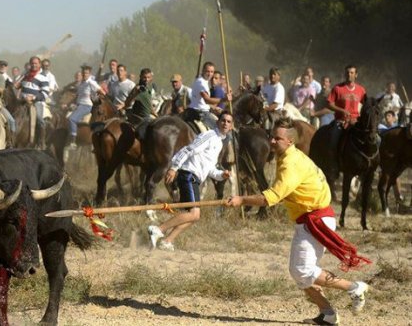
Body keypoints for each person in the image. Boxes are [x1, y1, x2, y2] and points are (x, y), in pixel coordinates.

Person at [226, 117, 370, 326]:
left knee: (302, 270)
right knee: (300, 272)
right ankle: (328, 313)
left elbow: (271, 198)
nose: (272, 141)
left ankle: (354, 287)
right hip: (311, 219)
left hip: (315, 220)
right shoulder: (288, 156)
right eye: (272, 137)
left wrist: (241, 200)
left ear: (290, 141)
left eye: (277, 138)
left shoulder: (291, 164)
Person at [147, 111, 233, 251]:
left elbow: (210, 168)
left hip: (195, 178)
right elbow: (189, 149)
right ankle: (158, 229)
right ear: (218, 122)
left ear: (231, 126)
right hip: (188, 175)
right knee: (193, 213)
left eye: (229, 122)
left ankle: (167, 241)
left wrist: (221, 175)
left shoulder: (219, 143)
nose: (225, 123)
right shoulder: (210, 136)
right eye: (223, 120)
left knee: (194, 216)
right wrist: (174, 167)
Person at [185, 62, 229, 133]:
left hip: (198, 110)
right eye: (207, 71)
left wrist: (213, 107)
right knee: (221, 130)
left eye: (212, 72)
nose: (210, 74)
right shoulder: (201, 83)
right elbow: (207, 100)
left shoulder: (203, 81)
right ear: (203, 71)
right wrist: (224, 99)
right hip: (201, 113)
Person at [68, 65, 105, 148]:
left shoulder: (91, 82)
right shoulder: (81, 83)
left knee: (72, 119)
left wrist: (97, 99)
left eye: (86, 73)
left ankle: (73, 141)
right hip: (78, 105)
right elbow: (77, 96)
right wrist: (69, 104)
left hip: (86, 106)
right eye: (83, 73)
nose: (85, 74)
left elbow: (102, 92)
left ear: (89, 74)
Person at [19, 56, 51, 147]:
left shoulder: (43, 77)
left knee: (39, 119)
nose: (34, 65)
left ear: (39, 64)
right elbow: (21, 87)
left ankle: (41, 142)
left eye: (36, 63)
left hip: (36, 102)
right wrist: (18, 85)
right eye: (32, 63)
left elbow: (45, 94)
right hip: (22, 101)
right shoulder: (26, 75)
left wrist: (33, 97)